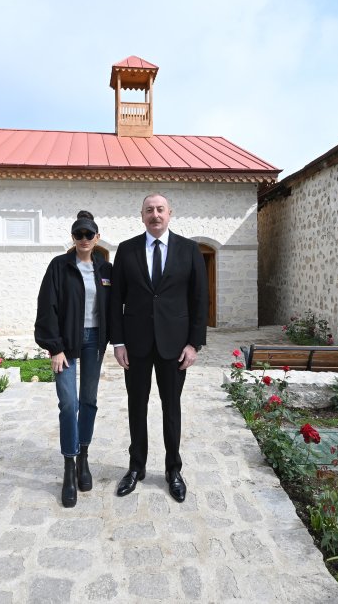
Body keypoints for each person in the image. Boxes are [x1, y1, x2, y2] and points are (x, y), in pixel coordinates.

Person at [109, 193, 208, 502]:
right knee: (136, 408)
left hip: (175, 345)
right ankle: (135, 467)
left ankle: (173, 470)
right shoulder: (126, 251)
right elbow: (116, 301)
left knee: (171, 408)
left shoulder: (190, 250)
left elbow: (199, 300)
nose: (155, 215)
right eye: (149, 210)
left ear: (170, 214)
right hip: (136, 344)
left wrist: (194, 343)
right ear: (141, 216)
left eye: (160, 209)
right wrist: (118, 341)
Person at [34, 211, 112, 508]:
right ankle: (68, 466)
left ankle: (83, 458)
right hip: (65, 344)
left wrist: (117, 341)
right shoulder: (59, 266)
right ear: (73, 237)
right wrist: (54, 348)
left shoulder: (106, 270)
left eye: (88, 234)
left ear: (97, 237)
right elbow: (47, 307)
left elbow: (115, 308)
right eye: (78, 234)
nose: (83, 239)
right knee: (69, 403)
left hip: (94, 342)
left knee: (89, 401)